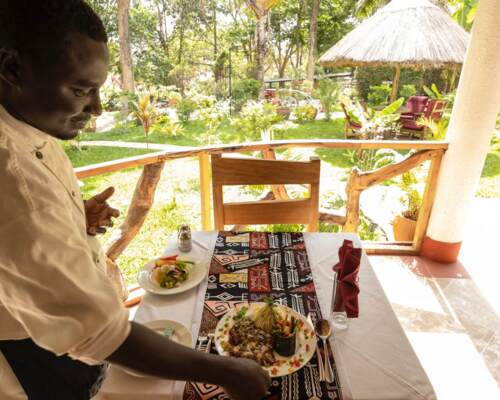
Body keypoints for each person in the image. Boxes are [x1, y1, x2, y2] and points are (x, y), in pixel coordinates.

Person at [0, 1, 270, 399]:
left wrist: (73, 221)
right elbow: (100, 335)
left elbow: (23, 239)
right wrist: (228, 371)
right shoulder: (12, 176)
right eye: (80, 90)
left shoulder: (26, 125)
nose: (96, 108)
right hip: (38, 358)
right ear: (12, 70)